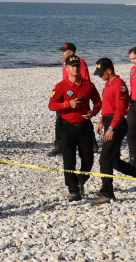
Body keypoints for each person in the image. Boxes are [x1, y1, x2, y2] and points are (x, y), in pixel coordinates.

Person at [92, 58, 136, 205]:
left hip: (117, 124)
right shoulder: (108, 84)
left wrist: (112, 128)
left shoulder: (120, 85)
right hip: (109, 121)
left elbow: (120, 110)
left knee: (104, 159)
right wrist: (102, 122)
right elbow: (108, 106)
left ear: (109, 70)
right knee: (114, 162)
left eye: (101, 73)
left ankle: (107, 193)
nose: (100, 76)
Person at [48, 55, 101, 201]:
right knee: (69, 160)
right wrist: (67, 105)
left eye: (77, 65)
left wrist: (94, 112)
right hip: (67, 128)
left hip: (85, 128)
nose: (75, 68)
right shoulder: (60, 86)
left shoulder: (88, 85)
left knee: (88, 160)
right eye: (72, 66)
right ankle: (73, 190)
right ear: (67, 68)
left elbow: (98, 101)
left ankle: (80, 181)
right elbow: (51, 105)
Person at [48, 42, 91, 156]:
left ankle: (91, 144)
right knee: (60, 119)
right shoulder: (64, 63)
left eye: (64, 50)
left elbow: (86, 80)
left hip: (77, 94)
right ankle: (59, 145)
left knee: (83, 118)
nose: (62, 52)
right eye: (62, 50)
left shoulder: (80, 62)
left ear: (71, 52)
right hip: (65, 93)